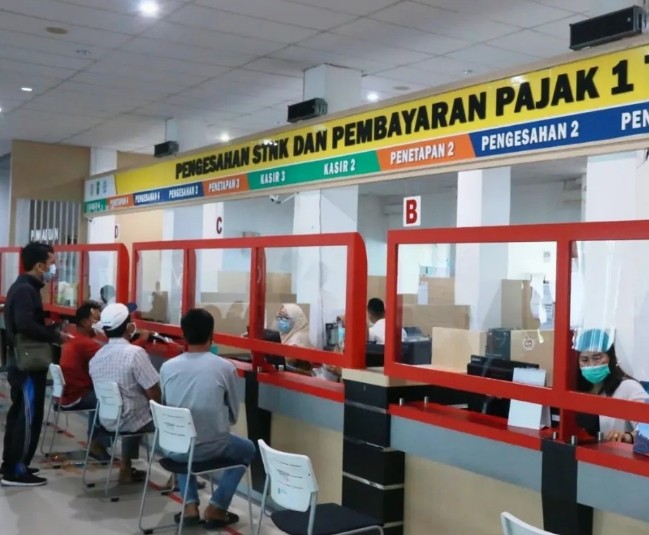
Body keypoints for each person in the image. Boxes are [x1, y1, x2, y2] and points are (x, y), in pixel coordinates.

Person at [160, 309, 255, 529]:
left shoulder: (167, 367)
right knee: (247, 449)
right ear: (212, 334)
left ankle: (190, 505)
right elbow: (233, 415)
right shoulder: (224, 368)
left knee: (183, 439)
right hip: (211, 447)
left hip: (174, 449)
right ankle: (217, 507)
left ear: (183, 335)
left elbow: (167, 409)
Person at [1, 242, 72, 487]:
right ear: (40, 265)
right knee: (28, 415)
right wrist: (53, 335)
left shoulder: (24, 287)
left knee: (19, 412)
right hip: (27, 364)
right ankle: (16, 471)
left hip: (22, 361)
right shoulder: (25, 290)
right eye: (52, 263)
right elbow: (25, 325)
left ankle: (12, 463)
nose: (54, 268)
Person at [89, 303, 161, 484]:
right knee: (172, 416)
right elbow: (154, 390)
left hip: (107, 420)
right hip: (132, 420)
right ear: (129, 328)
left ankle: (126, 468)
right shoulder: (135, 354)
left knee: (133, 405)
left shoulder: (96, 357)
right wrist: (161, 411)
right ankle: (179, 478)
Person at [576, 328, 649, 443]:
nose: (591, 364)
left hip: (616, 452)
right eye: (584, 360)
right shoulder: (577, 388)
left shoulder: (628, 387)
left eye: (597, 358)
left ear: (610, 358)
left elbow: (646, 427)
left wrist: (628, 436)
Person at [59, 301, 111, 460]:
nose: (100, 323)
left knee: (99, 395)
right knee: (109, 401)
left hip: (65, 394)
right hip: (75, 396)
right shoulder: (85, 343)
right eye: (97, 319)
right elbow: (111, 358)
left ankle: (94, 440)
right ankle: (97, 444)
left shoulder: (72, 338)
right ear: (84, 322)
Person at [276, 304, 314, 376]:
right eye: (279, 316)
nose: (281, 320)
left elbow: (288, 358)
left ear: (296, 319)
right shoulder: (287, 335)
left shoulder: (300, 336)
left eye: (285, 317)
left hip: (300, 379)